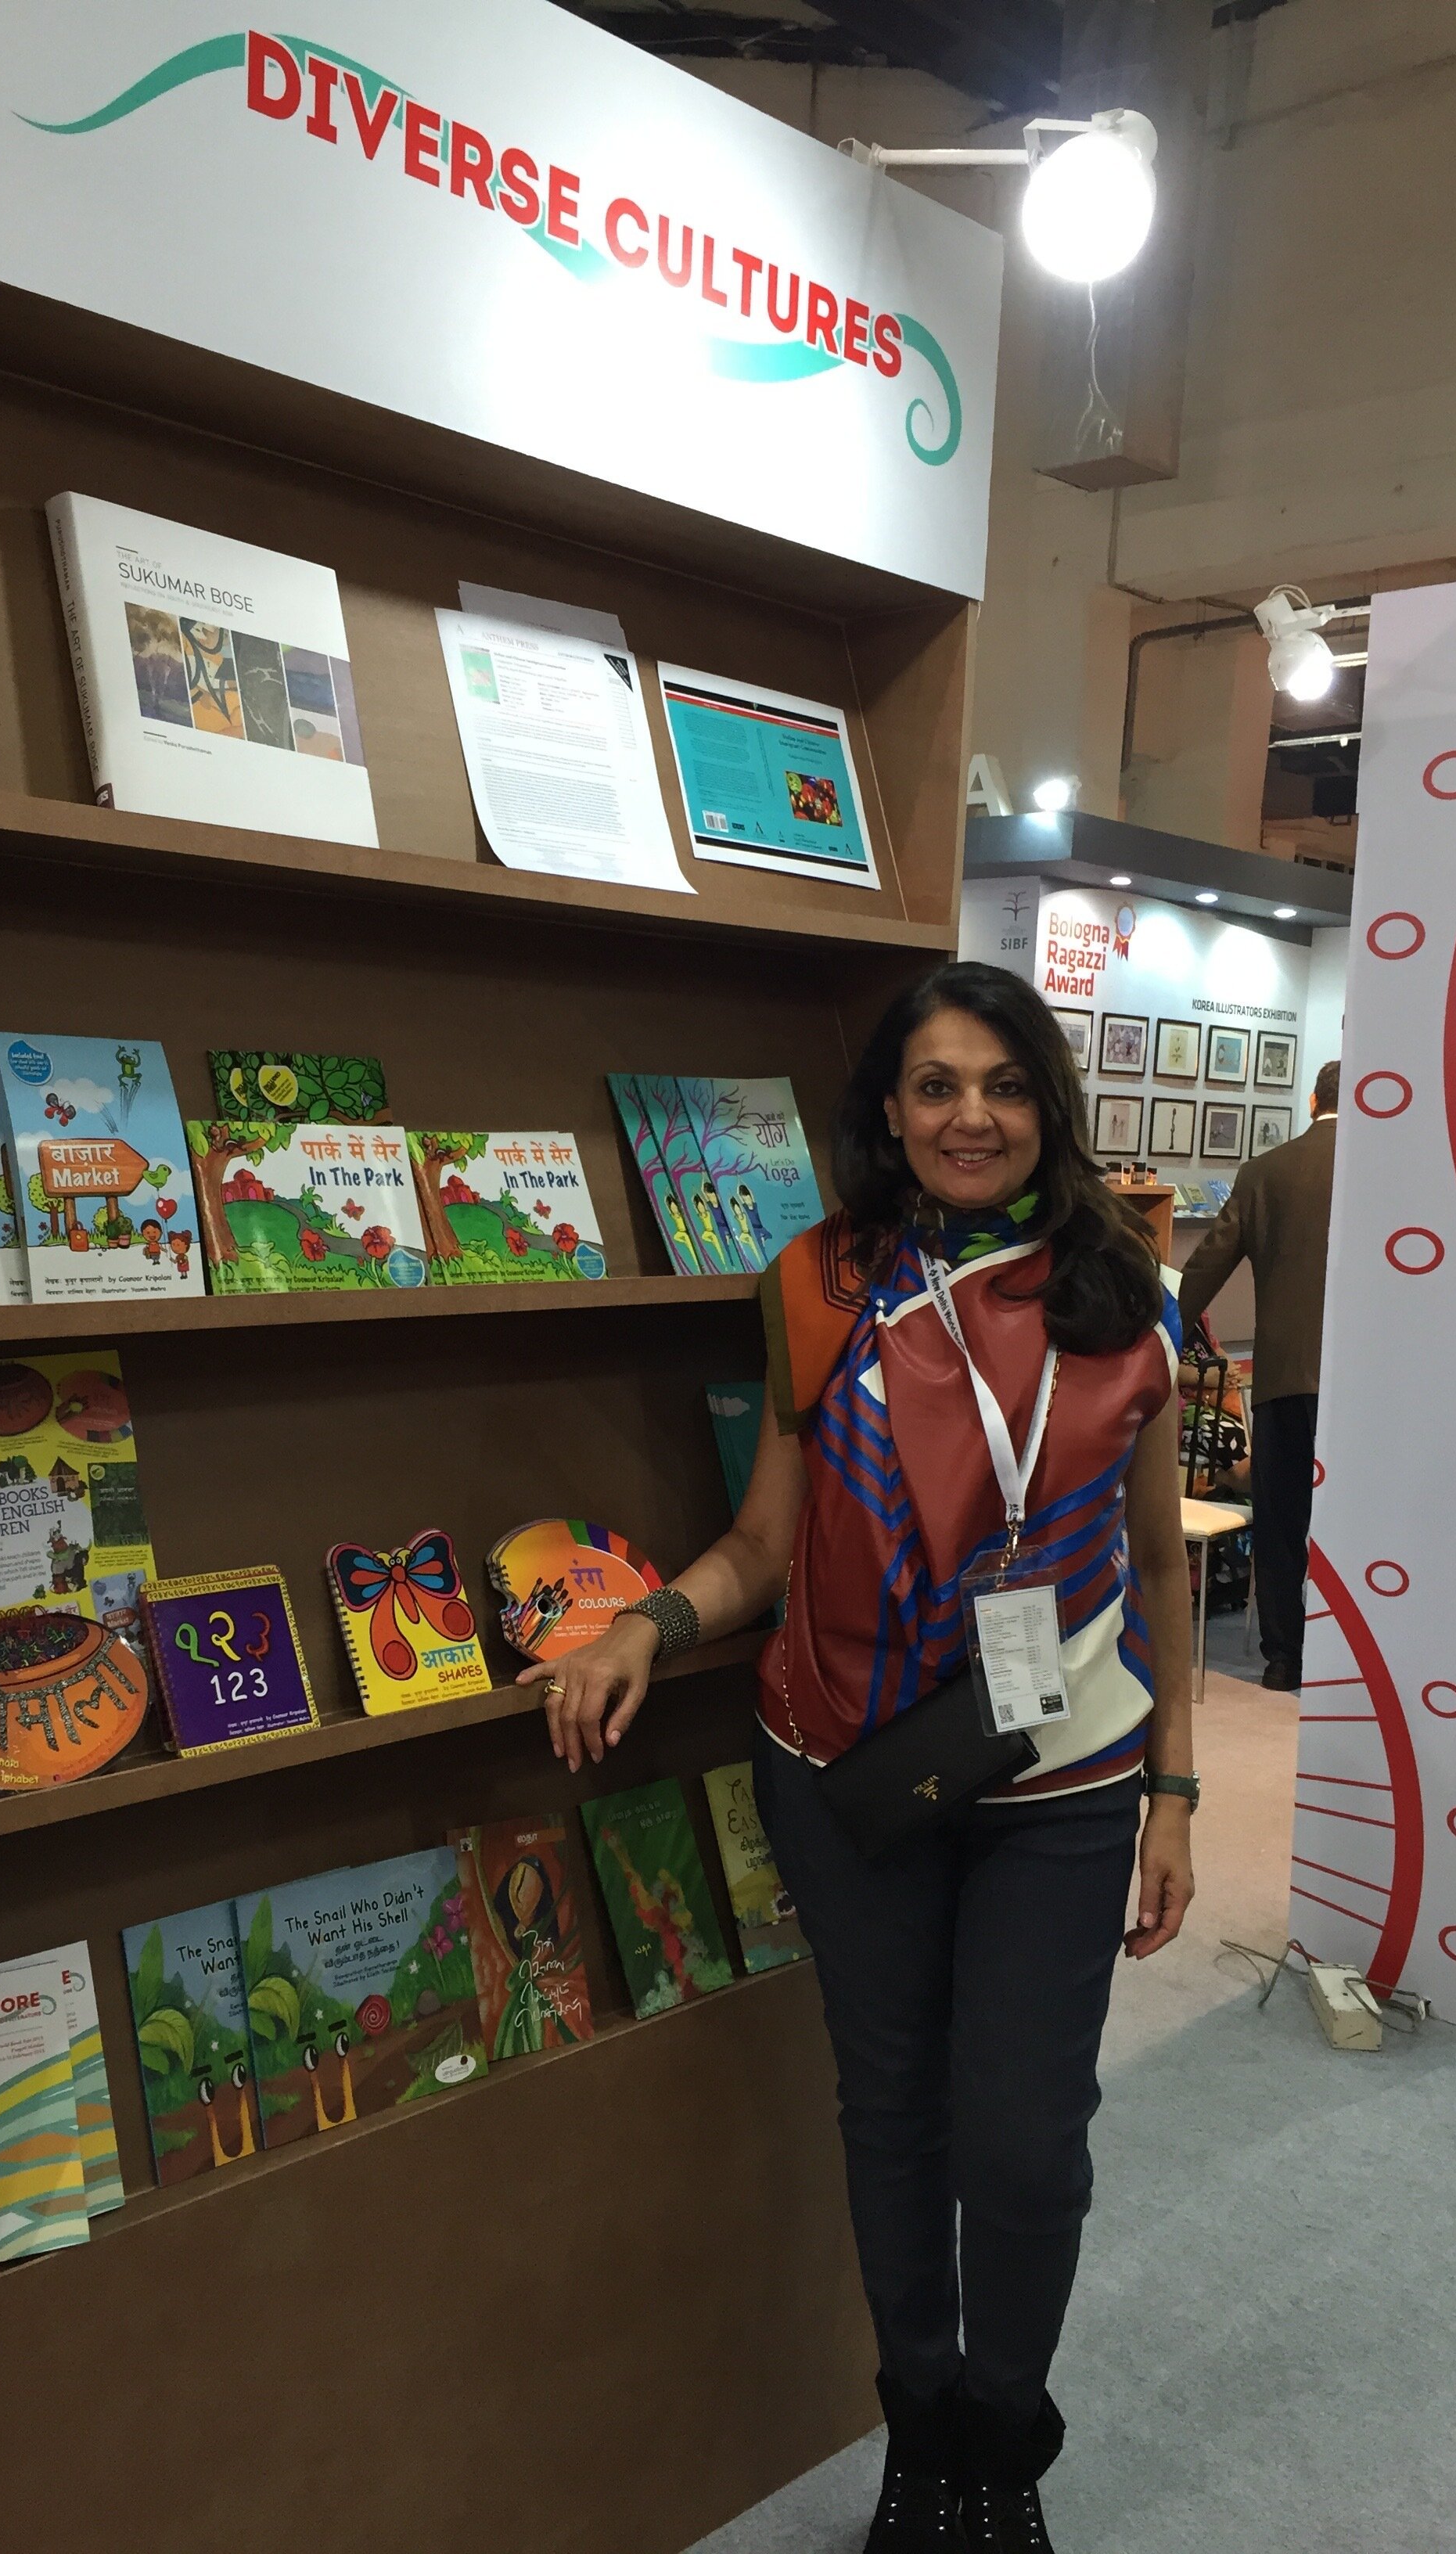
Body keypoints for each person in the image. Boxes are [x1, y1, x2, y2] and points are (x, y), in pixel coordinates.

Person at [520, 962, 1198, 2553]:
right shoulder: (820, 1281)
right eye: (938, 1085)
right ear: (889, 1112)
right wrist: (648, 1627)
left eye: (1006, 1084)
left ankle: (1002, 2443)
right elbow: (766, 1540)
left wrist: (1174, 1790)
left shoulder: (1126, 1295)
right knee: (890, 2112)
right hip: (846, 1768)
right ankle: (922, 2433)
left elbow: (1164, 1567)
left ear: (1049, 1107)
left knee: (1026, 2145)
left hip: (1069, 1777)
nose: (973, 1114)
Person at [1177, 1059, 1339, 1692]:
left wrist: (1163, 1332)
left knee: (1280, 1517)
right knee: (1351, 1522)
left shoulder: (1264, 1172)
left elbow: (1205, 1267)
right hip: (1359, 1388)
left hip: (1279, 1376)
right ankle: (1343, 1654)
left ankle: (1282, 1658)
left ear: (1311, 1101)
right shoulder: (1383, 1172)